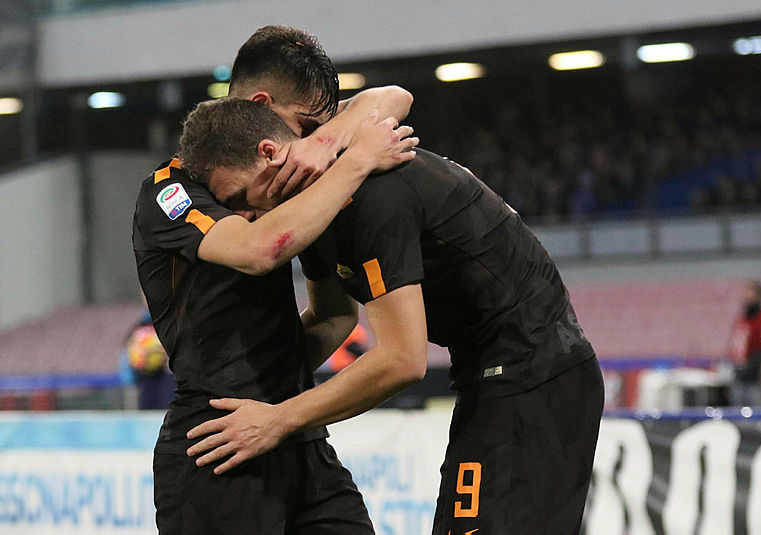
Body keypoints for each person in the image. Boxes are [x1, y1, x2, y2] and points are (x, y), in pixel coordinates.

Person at [182, 98, 604, 534]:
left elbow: (403, 361)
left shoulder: (371, 193)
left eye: (238, 199)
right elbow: (333, 317)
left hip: (535, 374)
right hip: (496, 374)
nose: (244, 217)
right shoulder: (316, 204)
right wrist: (242, 386)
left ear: (269, 152)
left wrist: (277, 420)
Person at [133, 26, 417, 534]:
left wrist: (280, 398)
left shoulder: (296, 169)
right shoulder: (170, 187)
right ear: (263, 111)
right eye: (306, 126)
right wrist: (355, 159)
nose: (310, 142)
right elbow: (259, 250)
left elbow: (394, 97)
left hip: (292, 433)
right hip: (217, 440)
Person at [727, 280, 761, 407]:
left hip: (755, 375)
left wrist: (753, 365)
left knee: (756, 407)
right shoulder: (742, 320)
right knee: (737, 407)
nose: (748, 296)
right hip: (739, 372)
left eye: (752, 292)